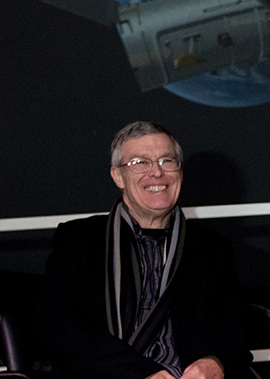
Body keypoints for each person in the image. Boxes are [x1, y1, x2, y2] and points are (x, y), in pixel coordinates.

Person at [35, 121, 252, 379]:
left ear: (180, 173)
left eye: (167, 161)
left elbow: (235, 326)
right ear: (117, 176)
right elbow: (56, 325)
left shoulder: (211, 246)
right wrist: (140, 373)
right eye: (141, 162)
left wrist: (214, 361)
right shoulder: (80, 240)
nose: (157, 173)